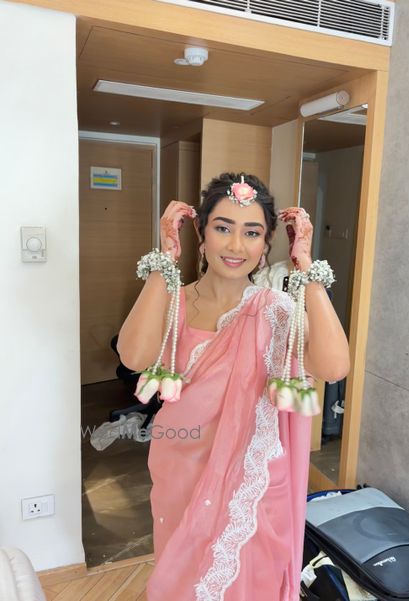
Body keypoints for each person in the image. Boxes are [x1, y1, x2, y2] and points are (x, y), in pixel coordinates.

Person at [117, 172, 350, 600]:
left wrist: (306, 267)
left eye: (252, 232)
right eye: (223, 228)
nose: (236, 245)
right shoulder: (173, 303)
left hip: (251, 483)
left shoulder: (276, 310)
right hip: (180, 468)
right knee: (180, 580)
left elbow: (334, 367)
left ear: (267, 243)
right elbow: (132, 357)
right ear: (201, 235)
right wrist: (165, 260)